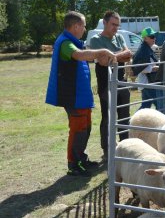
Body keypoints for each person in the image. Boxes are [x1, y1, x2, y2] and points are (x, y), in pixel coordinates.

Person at [46, 11, 116, 176]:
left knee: (85, 128)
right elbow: (78, 55)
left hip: (81, 96)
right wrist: (103, 51)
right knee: (78, 129)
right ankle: (73, 164)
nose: (84, 29)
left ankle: (81, 159)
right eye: (83, 26)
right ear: (76, 26)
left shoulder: (73, 41)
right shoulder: (65, 43)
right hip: (73, 96)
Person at [89, 11, 133, 160]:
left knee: (124, 116)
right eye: (113, 24)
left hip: (121, 82)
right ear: (105, 23)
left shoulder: (119, 37)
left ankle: (125, 147)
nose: (116, 28)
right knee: (108, 117)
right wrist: (120, 54)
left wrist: (112, 56)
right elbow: (102, 62)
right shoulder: (96, 40)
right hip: (106, 84)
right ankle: (107, 149)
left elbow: (129, 55)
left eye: (117, 25)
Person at [132, 27, 159, 109]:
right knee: (160, 104)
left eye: (154, 35)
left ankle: (133, 121)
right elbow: (140, 67)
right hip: (147, 83)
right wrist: (156, 68)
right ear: (145, 38)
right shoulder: (143, 50)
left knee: (145, 106)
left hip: (147, 83)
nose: (154, 38)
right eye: (151, 36)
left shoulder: (147, 48)